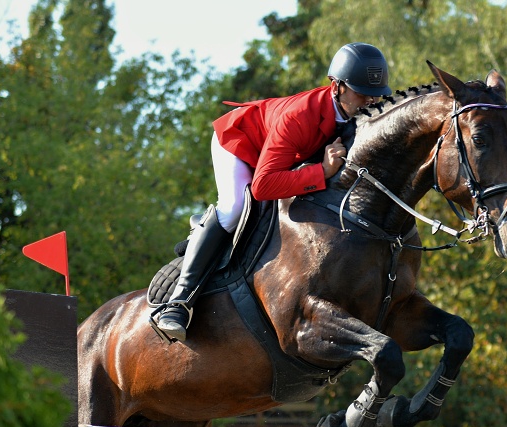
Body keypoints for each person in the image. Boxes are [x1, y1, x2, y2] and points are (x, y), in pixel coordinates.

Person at [155, 42, 392, 341]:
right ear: (336, 87)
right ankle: (178, 303)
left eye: (375, 94)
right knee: (234, 208)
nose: (370, 101)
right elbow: (263, 186)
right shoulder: (299, 116)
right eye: (361, 93)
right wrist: (321, 172)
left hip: (278, 157)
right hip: (240, 144)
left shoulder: (357, 114)